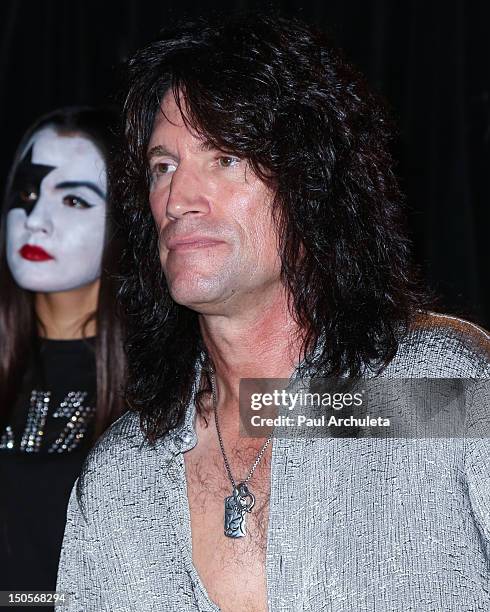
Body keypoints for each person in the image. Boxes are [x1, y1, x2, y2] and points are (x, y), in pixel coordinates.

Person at [56, 14, 490, 612]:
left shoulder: (432, 392)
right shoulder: (124, 473)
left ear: (311, 184)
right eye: (163, 167)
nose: (179, 198)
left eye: (226, 157)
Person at [0, 106, 126, 603]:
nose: (36, 221)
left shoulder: (175, 369)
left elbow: (382, 407)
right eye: (27, 194)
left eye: (73, 199)